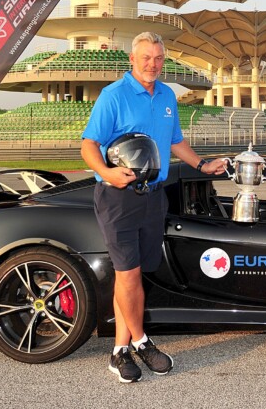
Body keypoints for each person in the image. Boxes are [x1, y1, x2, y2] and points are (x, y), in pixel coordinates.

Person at [81, 32, 227, 383]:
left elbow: (176, 141)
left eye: (159, 58)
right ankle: (142, 342)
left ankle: (119, 351)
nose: (153, 64)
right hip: (119, 197)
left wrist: (202, 165)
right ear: (132, 59)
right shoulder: (112, 96)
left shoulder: (166, 96)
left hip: (153, 196)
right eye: (146, 57)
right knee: (128, 274)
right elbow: (88, 145)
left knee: (131, 276)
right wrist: (107, 173)